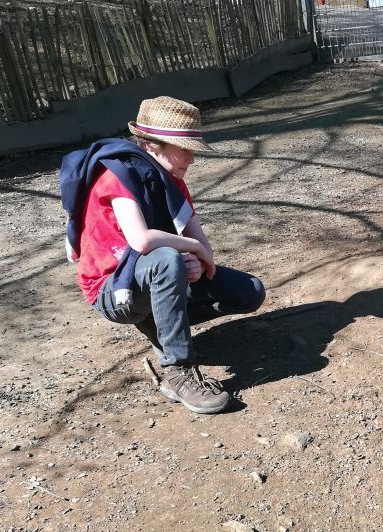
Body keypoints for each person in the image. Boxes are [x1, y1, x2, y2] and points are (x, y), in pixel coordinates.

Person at [59, 96, 265, 414]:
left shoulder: (171, 182)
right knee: (167, 259)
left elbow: (203, 247)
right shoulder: (119, 175)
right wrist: (191, 252)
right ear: (155, 144)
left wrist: (196, 264)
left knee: (250, 292)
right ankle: (178, 371)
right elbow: (141, 241)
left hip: (155, 273)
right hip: (114, 289)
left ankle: (165, 326)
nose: (192, 160)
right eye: (185, 149)